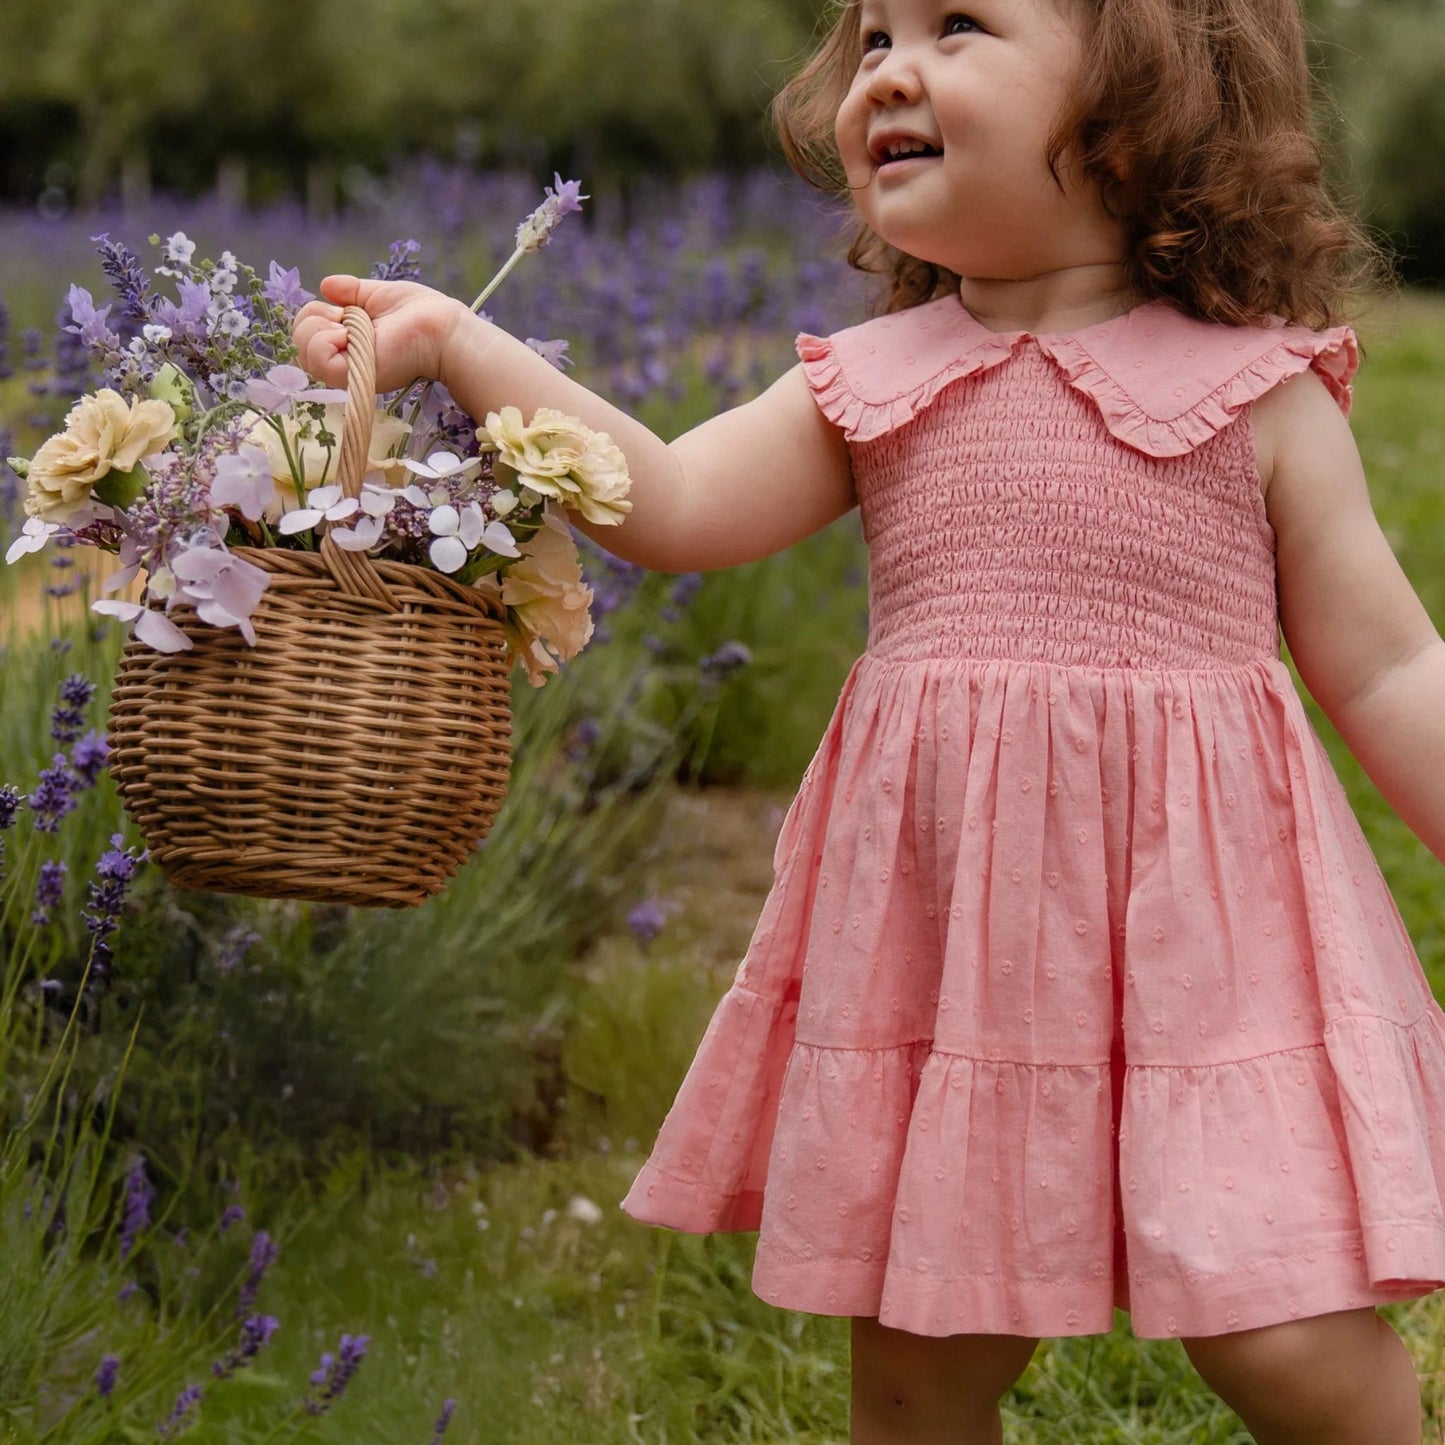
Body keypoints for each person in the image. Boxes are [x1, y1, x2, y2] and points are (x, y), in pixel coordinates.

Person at [295, 0, 1445, 1437]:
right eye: (874, 35)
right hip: (953, 948)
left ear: (1144, 94)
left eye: (957, 25)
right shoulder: (874, 384)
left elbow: (1389, 665)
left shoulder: (1257, 393)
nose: (885, 69)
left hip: (1208, 954)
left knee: (1288, 1341)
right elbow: (675, 498)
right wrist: (462, 342)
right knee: (915, 1366)